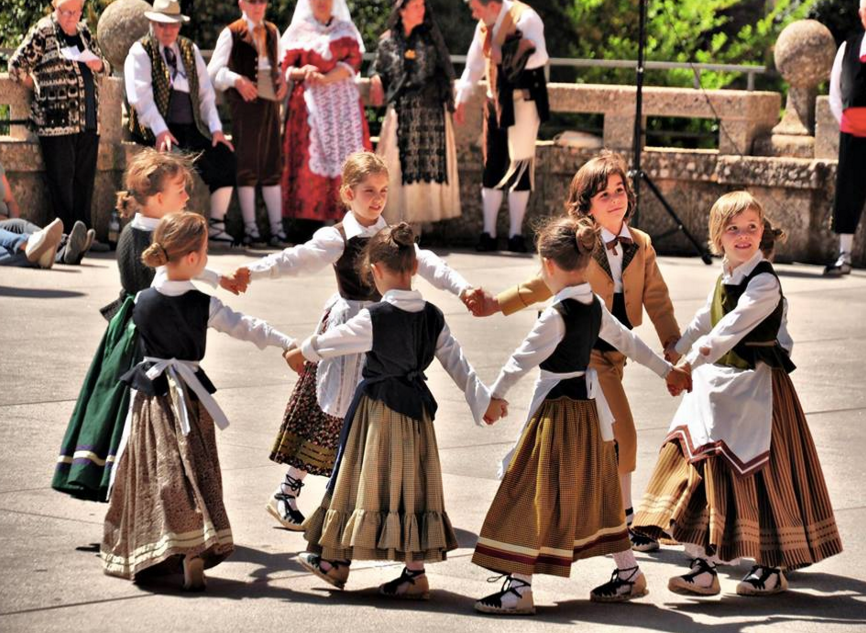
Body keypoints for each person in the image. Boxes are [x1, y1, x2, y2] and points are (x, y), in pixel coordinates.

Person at [228, 152, 476, 530]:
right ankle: (289, 491)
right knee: (332, 410)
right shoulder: (337, 238)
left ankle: (342, 501)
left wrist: (464, 288)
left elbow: (431, 265)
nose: (377, 199)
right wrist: (254, 270)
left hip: (382, 329)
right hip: (348, 327)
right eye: (368, 191)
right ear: (347, 193)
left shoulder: (392, 237)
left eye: (383, 191)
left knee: (362, 416)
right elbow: (296, 259)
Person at [471, 216, 690, 615]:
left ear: (549, 266)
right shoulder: (595, 306)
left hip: (554, 412)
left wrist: (494, 397)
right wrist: (667, 371)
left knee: (524, 490)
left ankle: (519, 586)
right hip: (588, 413)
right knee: (601, 492)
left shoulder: (556, 315)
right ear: (587, 264)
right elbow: (629, 342)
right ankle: (628, 572)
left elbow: (521, 360)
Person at [467, 153, 681, 553]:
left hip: (614, 351)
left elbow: (657, 297)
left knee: (600, 439)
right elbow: (540, 284)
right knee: (624, 435)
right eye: (604, 194)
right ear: (586, 205)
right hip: (586, 353)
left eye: (620, 191)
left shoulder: (642, 244)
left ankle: (600, 521)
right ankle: (625, 521)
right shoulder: (577, 245)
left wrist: (671, 342)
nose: (616, 199)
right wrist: (498, 303)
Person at [632, 192, 843, 596]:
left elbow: (728, 329)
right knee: (704, 470)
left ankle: (772, 564)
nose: (743, 235)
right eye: (733, 228)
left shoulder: (763, 282)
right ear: (718, 236)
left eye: (751, 227)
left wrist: (687, 364)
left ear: (762, 231)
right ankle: (704, 564)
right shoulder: (727, 275)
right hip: (719, 389)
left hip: (759, 390)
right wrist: (677, 345)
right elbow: (705, 319)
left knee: (763, 475)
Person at [284, 222, 499, 598]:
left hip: (377, 414)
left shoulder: (375, 317)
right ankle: (413, 572)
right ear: (415, 268)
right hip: (416, 415)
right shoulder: (432, 316)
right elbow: (457, 362)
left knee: (356, 482)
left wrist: (303, 351)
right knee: (411, 489)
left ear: (376, 272)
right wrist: (481, 401)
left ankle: (335, 560)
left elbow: (334, 341)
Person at [101, 212, 295, 590]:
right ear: (192, 258)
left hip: (151, 400)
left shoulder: (142, 298)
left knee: (160, 474)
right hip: (190, 399)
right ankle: (192, 552)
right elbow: (245, 326)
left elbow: (167, 275)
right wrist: (285, 341)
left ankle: (159, 544)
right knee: (194, 470)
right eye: (204, 253)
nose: (206, 261)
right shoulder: (202, 304)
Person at [53, 150, 241, 502]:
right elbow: (173, 269)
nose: (187, 196)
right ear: (158, 199)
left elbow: (179, 263)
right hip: (145, 337)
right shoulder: (150, 238)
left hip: (129, 327)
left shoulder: (136, 229)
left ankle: (125, 486)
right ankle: (135, 489)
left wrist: (217, 277)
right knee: (136, 414)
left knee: (120, 408)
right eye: (180, 190)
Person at [124, 0, 238, 246]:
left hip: (190, 128)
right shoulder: (141, 50)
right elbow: (140, 97)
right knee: (172, 167)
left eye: (173, 25)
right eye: (163, 25)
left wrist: (217, 129)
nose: (168, 31)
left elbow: (206, 94)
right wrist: (160, 130)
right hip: (154, 128)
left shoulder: (189, 49)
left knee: (225, 157)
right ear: (153, 23)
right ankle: (174, 233)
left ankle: (217, 226)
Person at [9, 0, 109, 249]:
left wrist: (99, 65)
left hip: (88, 120)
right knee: (62, 182)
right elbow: (16, 66)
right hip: (56, 122)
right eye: (65, 12)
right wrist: (37, 87)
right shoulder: (44, 31)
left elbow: (106, 67)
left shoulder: (85, 32)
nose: (70, 17)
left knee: (84, 181)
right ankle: (64, 240)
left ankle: (85, 236)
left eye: (74, 12)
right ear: (56, 9)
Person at [454, 0, 549, 252]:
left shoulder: (526, 18)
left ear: (493, 5)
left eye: (477, 8)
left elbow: (540, 56)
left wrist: (507, 53)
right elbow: (474, 64)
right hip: (495, 99)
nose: (474, 13)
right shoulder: (484, 26)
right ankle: (489, 233)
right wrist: (461, 99)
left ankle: (516, 235)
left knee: (520, 163)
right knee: (492, 162)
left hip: (522, 99)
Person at [279, 0, 371, 233]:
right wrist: (305, 71)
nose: (322, 3)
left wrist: (328, 78)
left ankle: (349, 219)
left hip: (343, 105)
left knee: (347, 158)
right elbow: (286, 66)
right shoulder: (299, 29)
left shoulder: (345, 29)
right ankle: (308, 223)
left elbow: (354, 61)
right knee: (310, 163)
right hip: (309, 106)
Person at [369, 0, 461, 231]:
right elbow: (377, 67)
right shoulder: (388, 40)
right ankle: (395, 222)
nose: (422, 10)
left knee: (424, 167)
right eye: (416, 6)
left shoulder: (430, 38)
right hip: (402, 111)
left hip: (431, 113)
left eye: (422, 5)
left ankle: (418, 224)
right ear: (402, 11)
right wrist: (375, 78)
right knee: (396, 165)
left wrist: (451, 102)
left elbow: (446, 71)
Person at [208, 0, 289, 247]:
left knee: (272, 161)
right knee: (247, 164)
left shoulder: (273, 31)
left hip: (270, 106)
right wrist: (236, 80)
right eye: (253, 1)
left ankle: (277, 229)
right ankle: (251, 229)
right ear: (242, 2)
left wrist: (283, 79)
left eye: (262, 1)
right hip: (245, 106)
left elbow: (280, 64)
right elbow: (213, 72)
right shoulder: (231, 32)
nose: (258, 6)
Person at [825, 0, 866, 276]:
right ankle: (844, 255)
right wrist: (846, 122)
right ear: (862, 14)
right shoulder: (847, 47)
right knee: (848, 194)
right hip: (852, 132)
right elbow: (835, 92)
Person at [0, 161, 94, 265]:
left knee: (18, 224)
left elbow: (10, 201)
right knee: (15, 248)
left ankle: (64, 244)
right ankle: (35, 245)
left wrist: (11, 220)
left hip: (5, 223)